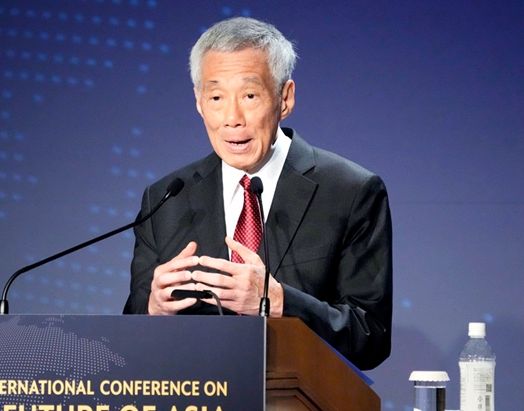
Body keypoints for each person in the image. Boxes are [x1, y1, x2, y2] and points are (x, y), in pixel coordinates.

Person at [123, 16, 392, 370]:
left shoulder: (351, 192)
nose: (232, 118)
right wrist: (153, 310)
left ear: (285, 98)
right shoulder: (166, 199)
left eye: (249, 95)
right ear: (199, 102)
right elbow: (130, 336)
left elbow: (371, 336)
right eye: (216, 97)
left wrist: (278, 302)